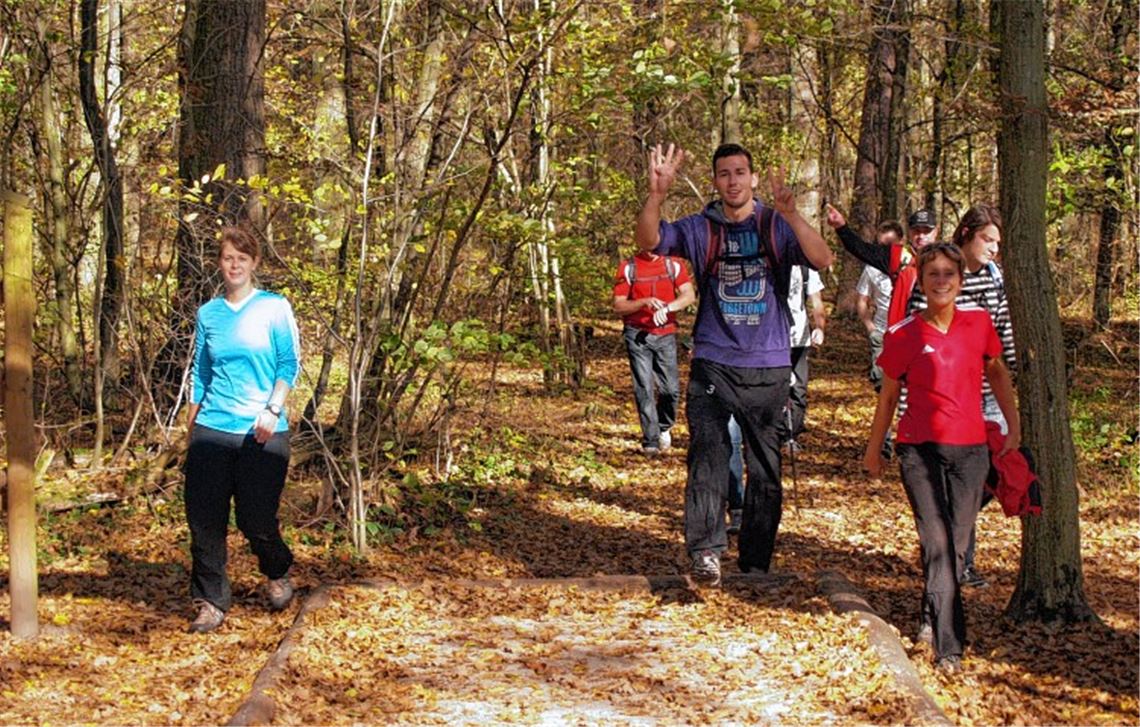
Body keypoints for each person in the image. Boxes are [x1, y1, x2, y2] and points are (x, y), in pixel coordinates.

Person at [635, 142, 834, 585]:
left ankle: (755, 562)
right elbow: (648, 241)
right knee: (707, 454)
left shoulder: (774, 226)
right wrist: (656, 195)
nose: (733, 181)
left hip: (768, 365)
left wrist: (792, 214)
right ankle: (705, 551)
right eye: (725, 174)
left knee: (765, 466)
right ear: (715, 181)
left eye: (740, 172)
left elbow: (822, 258)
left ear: (753, 178)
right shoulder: (700, 227)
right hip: (713, 360)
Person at [863, 242, 1020, 674]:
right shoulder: (905, 333)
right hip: (919, 452)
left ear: (960, 280)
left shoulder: (978, 324)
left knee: (956, 545)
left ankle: (931, 618)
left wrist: (1014, 427)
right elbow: (889, 395)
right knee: (937, 543)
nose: (941, 282)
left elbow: (998, 373)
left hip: (971, 453)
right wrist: (875, 449)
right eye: (933, 274)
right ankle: (949, 646)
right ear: (922, 280)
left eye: (949, 274)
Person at [184, 226, 301, 633]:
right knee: (204, 520)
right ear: (220, 263)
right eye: (228, 258)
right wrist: (192, 420)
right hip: (212, 427)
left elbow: (289, 364)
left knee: (256, 519)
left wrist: (273, 408)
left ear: (254, 264)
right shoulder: (209, 314)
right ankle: (211, 602)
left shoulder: (273, 307)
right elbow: (201, 372)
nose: (234, 265)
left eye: (242, 259)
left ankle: (277, 570)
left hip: (262, 431)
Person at [905, 204, 1016, 589]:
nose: (993, 249)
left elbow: (1004, 344)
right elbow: (911, 340)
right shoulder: (935, 274)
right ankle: (955, 561)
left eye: (998, 243)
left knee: (987, 479)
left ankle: (955, 547)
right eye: (988, 240)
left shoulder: (993, 280)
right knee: (950, 485)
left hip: (985, 399)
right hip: (940, 401)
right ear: (967, 234)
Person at [613, 248, 696, 454]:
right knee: (644, 387)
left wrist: (668, 308)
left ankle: (664, 426)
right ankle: (650, 441)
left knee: (670, 389)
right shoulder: (628, 267)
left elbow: (688, 295)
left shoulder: (673, 264)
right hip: (637, 335)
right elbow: (619, 305)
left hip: (666, 334)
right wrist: (643, 302)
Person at [826, 205, 937, 327]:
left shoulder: (947, 258)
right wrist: (841, 227)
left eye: (926, 231)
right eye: (916, 231)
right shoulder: (896, 255)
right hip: (903, 329)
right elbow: (861, 249)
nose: (921, 236)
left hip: (937, 329)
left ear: (936, 232)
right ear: (909, 232)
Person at [854, 221, 905, 392]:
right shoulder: (871, 269)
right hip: (882, 333)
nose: (885, 250)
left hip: (906, 333)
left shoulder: (911, 265)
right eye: (881, 245)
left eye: (890, 245)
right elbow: (862, 299)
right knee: (882, 386)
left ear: (901, 242)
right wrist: (870, 327)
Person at [784, 266, 827, 444]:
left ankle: (792, 435)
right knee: (776, 385)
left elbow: (817, 302)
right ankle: (773, 433)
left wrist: (819, 327)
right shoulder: (770, 261)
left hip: (800, 338)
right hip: (773, 338)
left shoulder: (806, 269)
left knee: (799, 389)